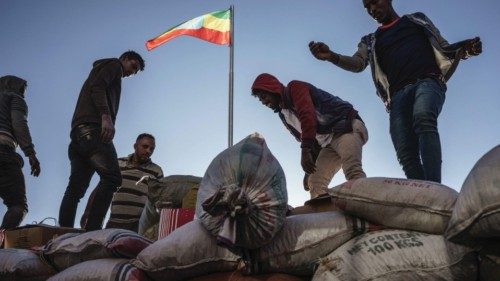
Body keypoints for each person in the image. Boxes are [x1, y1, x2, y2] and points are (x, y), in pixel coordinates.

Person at [309, 0, 482, 183]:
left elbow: (445, 47)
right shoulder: (370, 41)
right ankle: (425, 194)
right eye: (367, 8)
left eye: (375, 2)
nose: (372, 10)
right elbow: (358, 64)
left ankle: (435, 186)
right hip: (397, 97)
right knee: (404, 151)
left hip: (427, 81)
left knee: (423, 117)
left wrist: (467, 50)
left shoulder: (417, 19)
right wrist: (331, 56)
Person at [58, 50, 145, 231]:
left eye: (135, 72)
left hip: (78, 136)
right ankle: (93, 231)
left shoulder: (104, 68)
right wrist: (105, 116)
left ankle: (63, 233)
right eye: (133, 67)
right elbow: (97, 87)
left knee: (75, 189)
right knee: (112, 178)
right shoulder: (113, 65)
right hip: (92, 131)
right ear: (125, 59)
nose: (131, 73)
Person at [251, 73, 368, 199]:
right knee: (315, 182)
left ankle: (368, 212)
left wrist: (305, 150)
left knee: (352, 170)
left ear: (272, 89)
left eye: (263, 96)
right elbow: (312, 140)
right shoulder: (284, 115)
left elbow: (307, 116)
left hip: (346, 127)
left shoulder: (294, 88)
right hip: (327, 143)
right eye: (260, 99)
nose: (263, 101)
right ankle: (323, 216)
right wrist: (308, 169)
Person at [80, 133, 163, 232]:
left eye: (152, 149)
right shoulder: (118, 163)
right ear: (135, 146)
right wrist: (88, 212)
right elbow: (100, 189)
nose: (148, 151)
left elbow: (159, 199)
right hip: (114, 223)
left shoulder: (156, 171)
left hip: (139, 225)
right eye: (145, 146)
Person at [0, 75, 40, 229]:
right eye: (22, 87)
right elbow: (19, 124)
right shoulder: (14, 98)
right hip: (3, 152)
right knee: (18, 206)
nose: (23, 91)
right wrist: (30, 153)